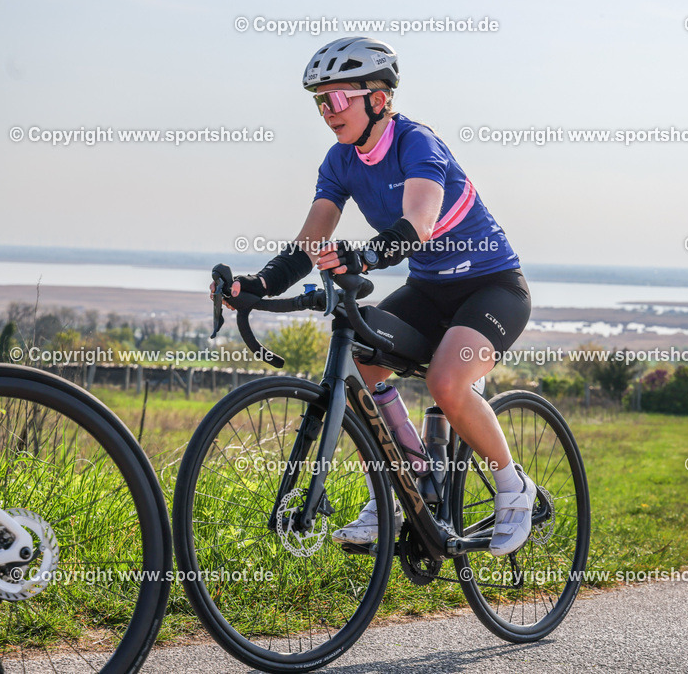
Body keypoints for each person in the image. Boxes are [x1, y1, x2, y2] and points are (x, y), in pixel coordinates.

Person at [220, 37, 534, 557]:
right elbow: (309, 243)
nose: (328, 111)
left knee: (446, 381)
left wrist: (363, 258)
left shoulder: (417, 144)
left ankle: (512, 487)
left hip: (492, 287)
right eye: (321, 101)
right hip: (429, 291)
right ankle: (400, 484)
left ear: (379, 98)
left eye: (339, 98)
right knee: (358, 371)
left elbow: (419, 223)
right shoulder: (340, 161)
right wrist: (257, 285)